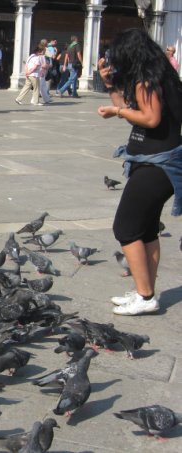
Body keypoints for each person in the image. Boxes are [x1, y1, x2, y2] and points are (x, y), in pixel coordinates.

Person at [97, 28, 182, 315]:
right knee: (146, 230)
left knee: (125, 227)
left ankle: (145, 297)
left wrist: (116, 112)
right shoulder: (158, 77)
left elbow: (149, 118)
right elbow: (134, 113)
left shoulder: (147, 81)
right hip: (156, 162)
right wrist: (110, 84)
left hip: (156, 165)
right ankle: (146, 293)